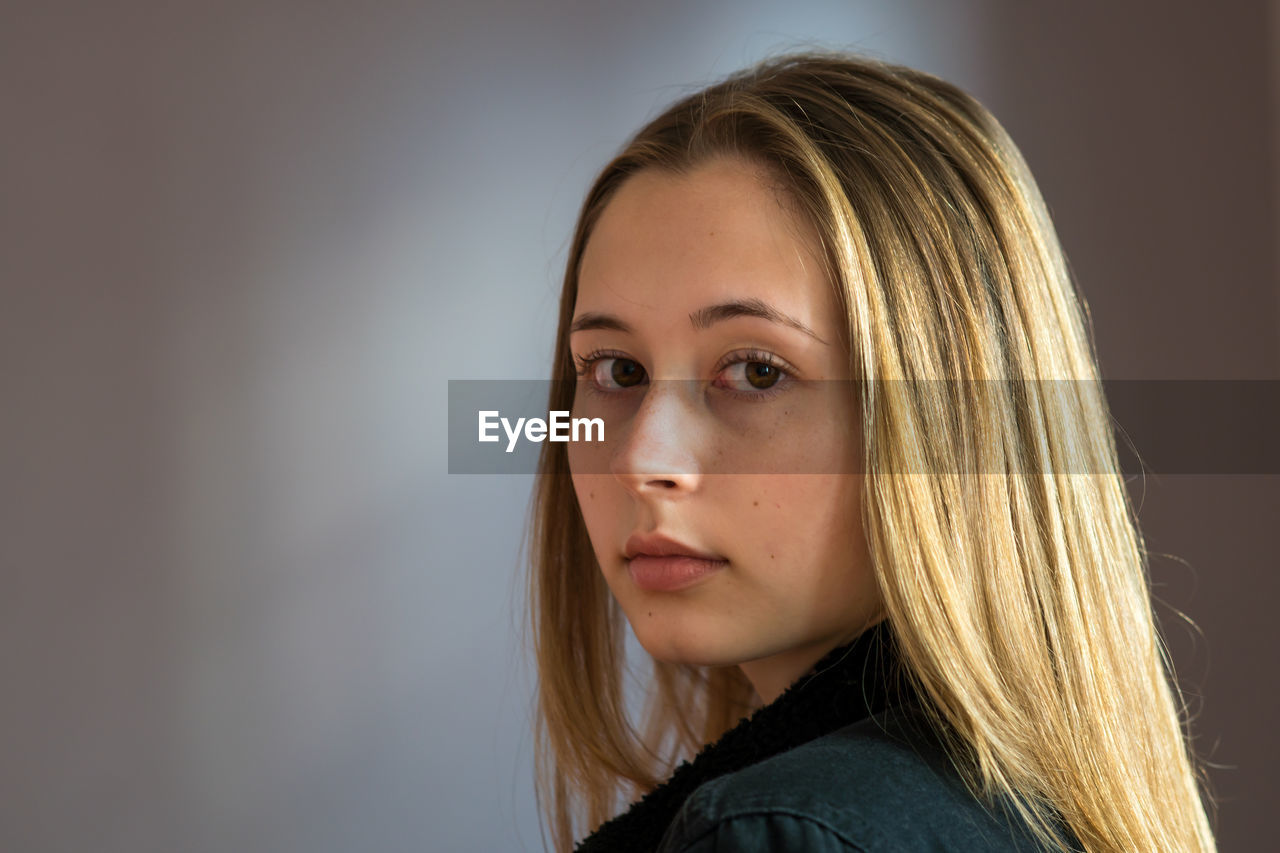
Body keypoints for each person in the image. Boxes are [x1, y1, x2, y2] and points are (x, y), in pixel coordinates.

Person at [525, 52, 1217, 852]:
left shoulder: (781, 833)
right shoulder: (1017, 808)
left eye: (756, 371)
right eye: (617, 372)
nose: (642, 456)